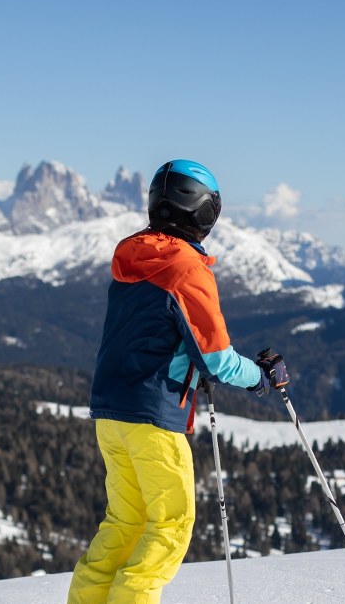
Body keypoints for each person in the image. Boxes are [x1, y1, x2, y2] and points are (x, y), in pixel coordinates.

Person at [67, 159, 290, 604]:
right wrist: (260, 378)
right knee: (169, 527)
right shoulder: (187, 268)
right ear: (202, 212)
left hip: (110, 413)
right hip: (155, 417)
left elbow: (154, 333)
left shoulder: (131, 256)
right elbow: (216, 358)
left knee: (125, 523)